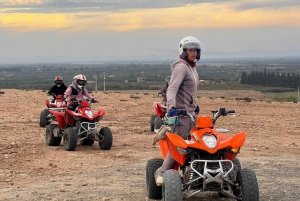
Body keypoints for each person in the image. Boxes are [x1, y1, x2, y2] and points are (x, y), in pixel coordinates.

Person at [156, 36, 201, 186]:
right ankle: (162, 172)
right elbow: (172, 89)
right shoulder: (181, 67)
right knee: (179, 145)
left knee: (195, 144)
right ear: (184, 51)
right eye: (190, 50)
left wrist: (195, 105)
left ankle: (194, 172)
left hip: (191, 114)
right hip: (181, 115)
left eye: (195, 50)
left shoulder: (191, 68)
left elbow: (189, 92)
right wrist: (172, 108)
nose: (193, 53)